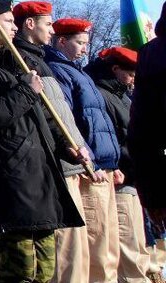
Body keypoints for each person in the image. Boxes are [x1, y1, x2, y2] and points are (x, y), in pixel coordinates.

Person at [0, 0, 83, 283]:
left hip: (39, 180)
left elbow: (37, 121)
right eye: (8, 21)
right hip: (11, 183)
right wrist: (26, 91)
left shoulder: (16, 65)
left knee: (46, 270)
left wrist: (66, 148)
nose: (14, 27)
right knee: (20, 270)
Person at [11, 1, 94, 283]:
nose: (51, 29)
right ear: (30, 24)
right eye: (48, 24)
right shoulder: (19, 58)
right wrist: (65, 148)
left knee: (78, 249)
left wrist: (78, 148)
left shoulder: (40, 60)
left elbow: (60, 114)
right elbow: (43, 115)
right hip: (53, 163)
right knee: (65, 250)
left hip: (69, 156)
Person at [45, 17, 122, 282]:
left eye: (86, 43)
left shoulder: (78, 71)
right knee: (95, 244)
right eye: (79, 42)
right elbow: (70, 121)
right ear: (62, 41)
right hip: (89, 169)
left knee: (108, 242)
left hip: (102, 166)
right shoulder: (58, 70)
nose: (84, 49)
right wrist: (91, 160)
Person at [86, 45, 154, 282]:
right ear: (115, 69)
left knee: (138, 244)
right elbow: (116, 137)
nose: (133, 79)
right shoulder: (104, 95)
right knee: (128, 248)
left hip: (132, 179)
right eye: (130, 74)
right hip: (121, 178)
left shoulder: (121, 95)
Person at [131, 4, 166, 281]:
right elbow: (144, 130)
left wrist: (151, 194)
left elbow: (141, 131)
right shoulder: (154, 56)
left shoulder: (151, 54)